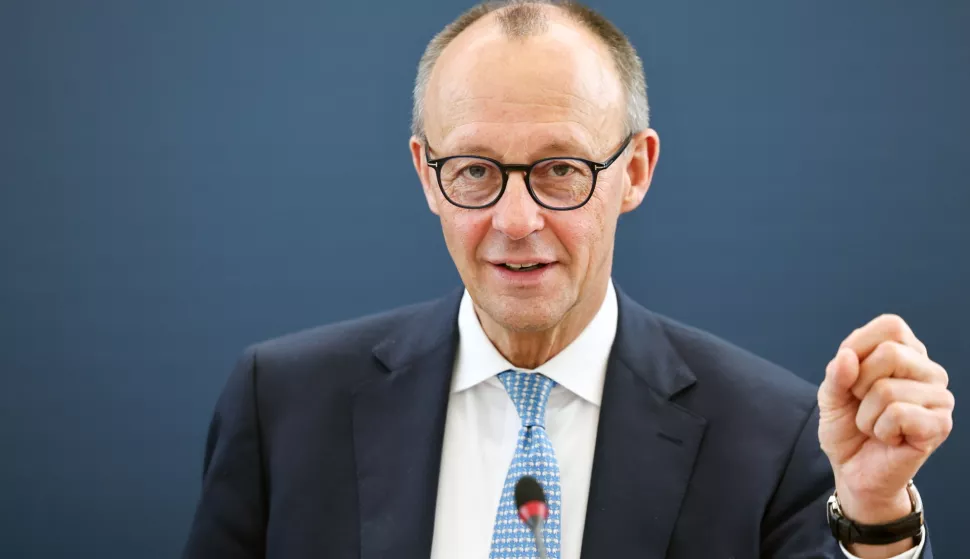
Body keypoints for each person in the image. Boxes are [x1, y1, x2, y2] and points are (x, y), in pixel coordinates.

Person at [181, 2, 955, 558]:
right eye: (477, 171)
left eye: (560, 170)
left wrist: (874, 516)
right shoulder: (281, 404)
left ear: (636, 171)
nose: (516, 220)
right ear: (426, 173)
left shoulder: (774, 435)